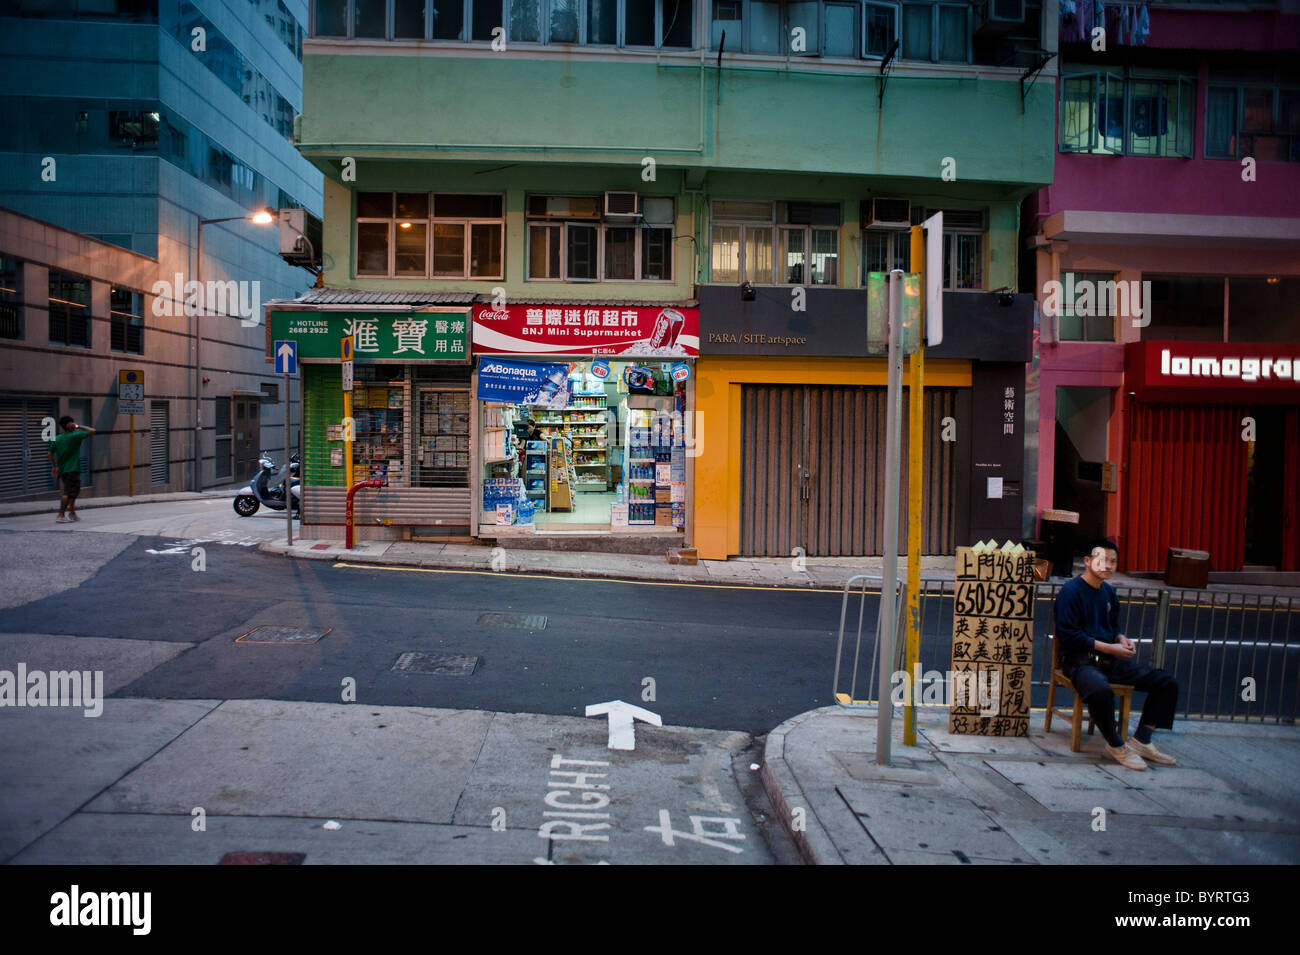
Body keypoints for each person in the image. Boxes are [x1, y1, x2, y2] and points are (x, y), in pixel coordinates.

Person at [1055, 539, 1179, 771]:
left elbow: (1113, 628)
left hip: (1109, 660)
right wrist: (1111, 648)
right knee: (1099, 690)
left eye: (1113, 561)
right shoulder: (1070, 592)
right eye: (1102, 560)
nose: (1108, 565)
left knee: (1166, 683)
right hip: (1079, 661)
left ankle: (1142, 740)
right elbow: (1069, 636)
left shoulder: (1109, 593)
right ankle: (1115, 744)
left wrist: (1121, 639)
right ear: (1088, 561)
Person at [47, 416, 95, 523]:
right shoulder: (75, 435)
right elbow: (92, 430)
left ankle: (72, 513)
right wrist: (78, 426)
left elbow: (49, 454)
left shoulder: (58, 438)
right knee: (68, 492)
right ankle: (61, 514)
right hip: (72, 469)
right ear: (68, 425)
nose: (74, 424)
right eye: (72, 423)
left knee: (73, 492)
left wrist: (54, 466)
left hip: (63, 470)